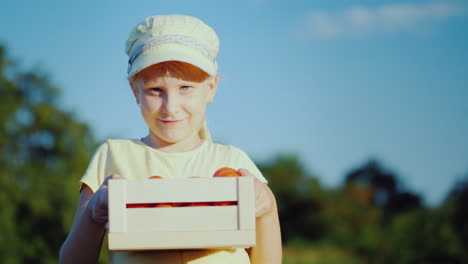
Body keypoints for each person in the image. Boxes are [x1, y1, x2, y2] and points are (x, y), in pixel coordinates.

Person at [59, 14, 282, 264]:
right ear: (135, 91)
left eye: (185, 88)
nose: (170, 106)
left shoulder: (233, 162)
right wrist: (93, 214)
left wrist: (267, 208)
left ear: (212, 87)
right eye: (156, 90)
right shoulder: (112, 156)